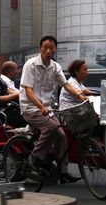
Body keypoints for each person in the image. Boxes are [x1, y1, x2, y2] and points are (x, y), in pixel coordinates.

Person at [20, 36, 87, 183]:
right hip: (30, 108)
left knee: (62, 135)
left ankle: (63, 171)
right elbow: (29, 91)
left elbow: (66, 85)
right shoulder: (30, 65)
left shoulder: (55, 67)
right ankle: (35, 157)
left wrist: (80, 96)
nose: (48, 51)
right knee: (53, 126)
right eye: (45, 47)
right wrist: (41, 107)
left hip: (46, 109)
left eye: (51, 48)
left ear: (55, 49)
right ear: (40, 48)